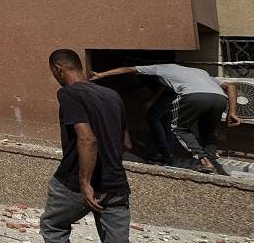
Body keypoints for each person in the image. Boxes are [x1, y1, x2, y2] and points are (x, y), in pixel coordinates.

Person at [41, 50, 151, 243]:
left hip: (77, 184)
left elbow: (87, 139)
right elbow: (125, 142)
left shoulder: (69, 94)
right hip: (117, 184)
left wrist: (86, 181)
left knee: (52, 228)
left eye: (53, 71)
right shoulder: (111, 95)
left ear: (59, 69)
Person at [92, 62, 239, 175]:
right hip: (220, 98)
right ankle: (214, 164)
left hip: (193, 96)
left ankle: (204, 161)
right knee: (207, 133)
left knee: (178, 128)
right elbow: (230, 86)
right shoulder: (200, 72)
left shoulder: (162, 68)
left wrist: (101, 75)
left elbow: (128, 69)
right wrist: (232, 112)